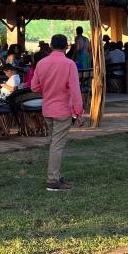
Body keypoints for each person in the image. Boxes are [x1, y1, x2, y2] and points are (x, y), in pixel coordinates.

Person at [30, 33, 84, 191]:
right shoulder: (69, 64)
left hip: (47, 109)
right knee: (57, 146)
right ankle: (53, 180)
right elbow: (75, 90)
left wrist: (47, 88)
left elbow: (34, 87)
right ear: (66, 46)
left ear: (51, 46)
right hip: (62, 111)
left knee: (54, 144)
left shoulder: (41, 63)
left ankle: (55, 175)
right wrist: (79, 113)